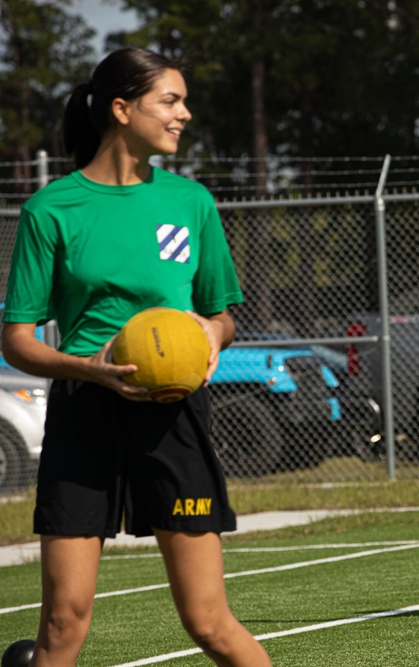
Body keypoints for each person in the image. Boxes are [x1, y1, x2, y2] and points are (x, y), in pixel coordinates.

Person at [1, 48, 272, 666]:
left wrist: (212, 334)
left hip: (173, 417)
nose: (185, 114)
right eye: (170, 101)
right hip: (84, 415)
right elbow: (16, 338)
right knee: (63, 622)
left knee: (207, 620)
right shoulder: (52, 210)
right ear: (121, 109)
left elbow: (223, 316)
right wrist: (90, 369)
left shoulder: (191, 203)